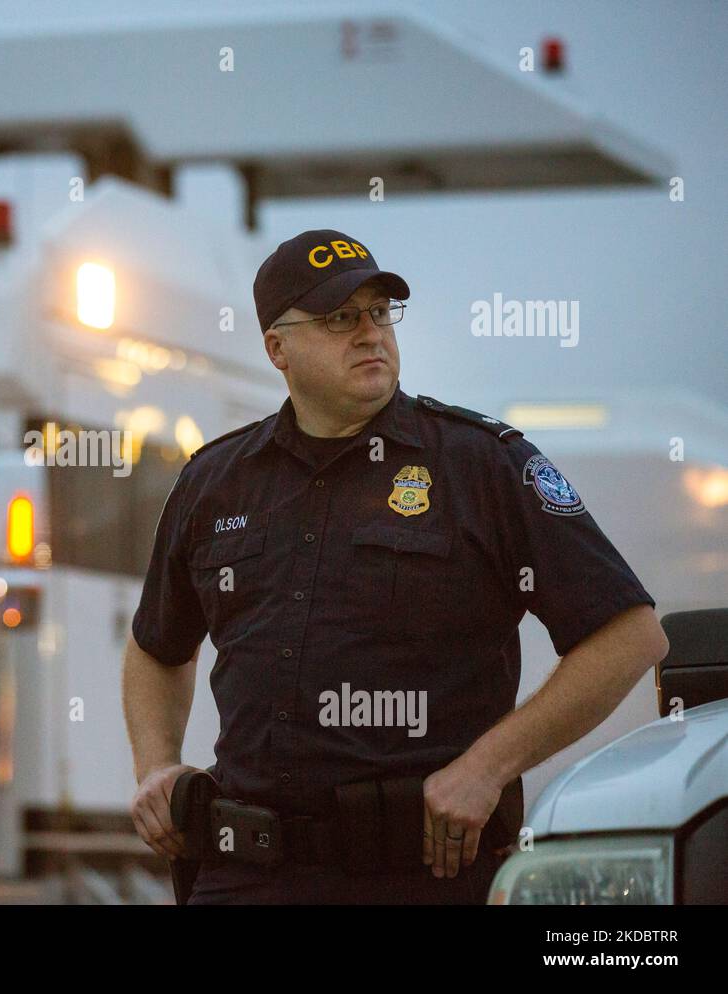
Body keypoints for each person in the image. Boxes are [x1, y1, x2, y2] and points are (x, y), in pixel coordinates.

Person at [122, 229, 669, 904]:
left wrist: (486, 769)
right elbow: (156, 646)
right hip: (244, 875)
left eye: (380, 312)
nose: (369, 333)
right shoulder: (214, 481)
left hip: (425, 875)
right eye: (339, 318)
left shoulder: (482, 464)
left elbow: (629, 635)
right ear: (277, 348)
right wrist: (156, 767)